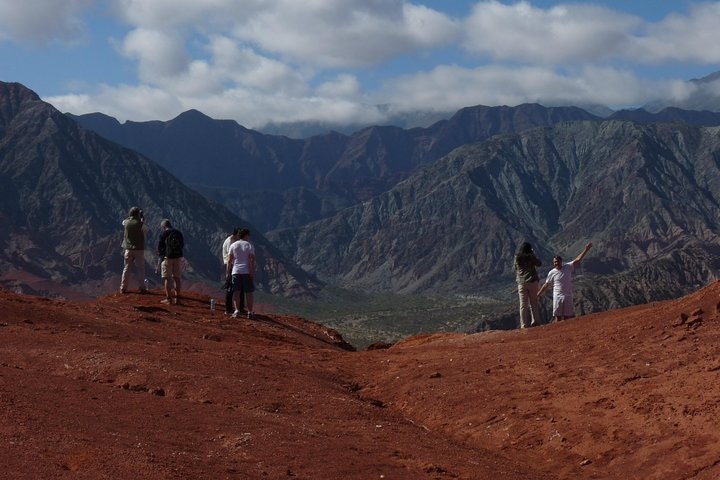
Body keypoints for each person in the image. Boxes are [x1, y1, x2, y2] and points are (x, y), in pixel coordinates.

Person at [538, 242, 593, 322]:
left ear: (561, 261)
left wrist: (586, 249)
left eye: (557, 261)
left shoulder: (568, 267)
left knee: (567, 317)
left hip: (568, 296)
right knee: (558, 317)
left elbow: (578, 260)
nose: (555, 263)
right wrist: (539, 294)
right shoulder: (551, 272)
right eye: (554, 262)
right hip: (557, 296)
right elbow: (546, 285)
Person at [226, 228, 256, 318]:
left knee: (236, 292)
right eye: (248, 235)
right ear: (246, 235)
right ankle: (250, 312)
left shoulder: (233, 245)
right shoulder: (249, 245)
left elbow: (229, 260)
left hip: (235, 271)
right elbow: (252, 259)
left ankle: (236, 310)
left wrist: (227, 272)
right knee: (249, 293)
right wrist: (252, 272)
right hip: (246, 271)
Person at [514, 242, 542, 328]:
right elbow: (539, 263)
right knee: (533, 303)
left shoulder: (517, 257)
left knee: (523, 305)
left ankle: (523, 324)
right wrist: (533, 254)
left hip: (521, 283)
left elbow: (515, 268)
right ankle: (535, 321)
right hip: (532, 281)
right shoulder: (531, 256)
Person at [120, 206, 147, 294]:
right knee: (140, 269)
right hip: (138, 249)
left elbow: (123, 222)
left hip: (128, 249)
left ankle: (123, 288)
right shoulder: (140, 224)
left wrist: (131, 217)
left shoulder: (126, 222)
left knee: (126, 268)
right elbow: (146, 230)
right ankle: (142, 287)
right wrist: (142, 219)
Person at [157, 219, 184, 305]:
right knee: (177, 278)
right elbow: (182, 245)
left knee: (167, 278)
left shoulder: (164, 233)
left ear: (164, 227)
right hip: (178, 257)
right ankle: (178, 299)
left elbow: (159, 247)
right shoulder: (178, 233)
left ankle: (169, 299)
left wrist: (162, 256)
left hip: (167, 258)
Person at [221, 227, 242, 315]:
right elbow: (230, 257)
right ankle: (228, 308)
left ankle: (238, 307)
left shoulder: (233, 241)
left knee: (237, 287)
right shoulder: (230, 242)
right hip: (231, 266)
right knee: (230, 287)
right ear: (236, 234)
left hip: (234, 265)